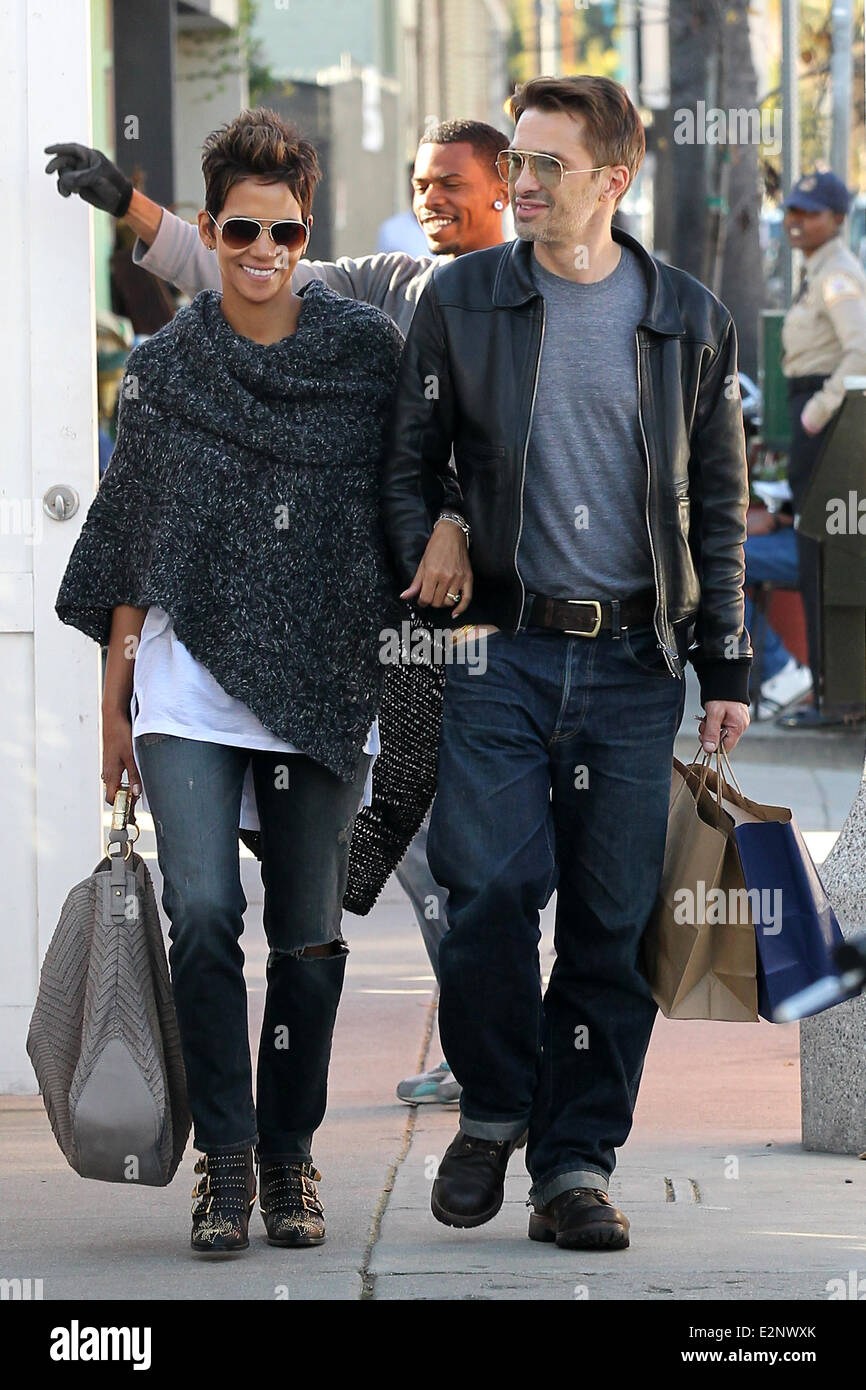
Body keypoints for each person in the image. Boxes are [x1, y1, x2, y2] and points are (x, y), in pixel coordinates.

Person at [46, 115, 511, 1109]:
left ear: (507, 188)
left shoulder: (534, 295)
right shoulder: (388, 289)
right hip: (287, 653)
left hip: (454, 633)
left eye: (451, 182)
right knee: (238, 902)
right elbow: (235, 265)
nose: (430, 196)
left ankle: (486, 1058)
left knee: (464, 871)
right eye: (420, 179)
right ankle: (237, 1154)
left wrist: (454, 529)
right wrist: (122, 202)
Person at [381, 75, 752, 1252]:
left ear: (613, 179)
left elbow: (718, 508)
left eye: (545, 166)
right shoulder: (464, 301)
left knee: (609, 919)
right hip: (497, 648)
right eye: (519, 163)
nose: (522, 184)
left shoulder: (685, 316)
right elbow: (405, 467)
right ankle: (493, 1105)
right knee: (486, 889)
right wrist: (433, 531)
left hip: (635, 665)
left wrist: (726, 663)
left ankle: (574, 1162)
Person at [56, 109, 403, 1255]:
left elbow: (414, 490)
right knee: (203, 915)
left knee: (306, 935)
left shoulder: (362, 357)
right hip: (184, 689)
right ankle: (228, 1158)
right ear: (210, 227)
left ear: (309, 232)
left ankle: (292, 1155)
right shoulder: (162, 368)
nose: (264, 250)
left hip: (316, 677)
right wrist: (114, 701)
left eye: (286, 230)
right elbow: (131, 544)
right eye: (241, 228)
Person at [776, 171, 866, 729]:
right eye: (793, 210)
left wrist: (818, 409)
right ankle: (834, 693)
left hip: (830, 422)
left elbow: (861, 352)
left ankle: (837, 697)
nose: (796, 221)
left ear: (837, 219)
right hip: (820, 417)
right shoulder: (819, 271)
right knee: (820, 556)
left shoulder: (837, 275)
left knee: (825, 558)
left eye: (809, 212)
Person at [744, 501, 811, 719]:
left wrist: (776, 517)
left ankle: (780, 670)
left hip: (836, 539)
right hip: (805, 531)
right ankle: (768, 671)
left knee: (715, 557)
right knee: (713, 554)